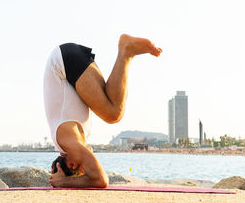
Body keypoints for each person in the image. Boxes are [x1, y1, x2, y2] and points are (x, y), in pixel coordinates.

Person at [44, 34, 162, 188]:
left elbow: (100, 180)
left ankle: (126, 51)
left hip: (62, 63)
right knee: (111, 105)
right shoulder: (72, 137)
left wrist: (64, 181)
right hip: (66, 61)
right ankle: (126, 52)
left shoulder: (67, 141)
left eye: (83, 171)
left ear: (72, 164)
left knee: (113, 113)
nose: (87, 168)